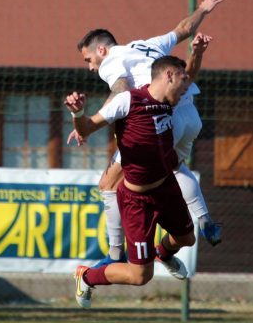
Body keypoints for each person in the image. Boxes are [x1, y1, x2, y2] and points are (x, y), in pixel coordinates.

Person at [70, 0, 225, 268]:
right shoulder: (147, 45)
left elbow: (119, 90)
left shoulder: (111, 61)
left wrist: (90, 123)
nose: (91, 68)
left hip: (163, 117)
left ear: (102, 50)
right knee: (177, 167)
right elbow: (184, 29)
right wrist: (203, 9)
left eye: (88, 60)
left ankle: (115, 255)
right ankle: (204, 221)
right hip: (190, 114)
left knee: (107, 184)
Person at [64, 55, 196, 309]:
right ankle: (87, 276)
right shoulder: (129, 101)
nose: (187, 85)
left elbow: (191, 73)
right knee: (140, 276)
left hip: (166, 188)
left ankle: (163, 253)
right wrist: (78, 112)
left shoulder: (169, 102)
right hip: (137, 201)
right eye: (182, 77)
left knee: (186, 238)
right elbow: (86, 128)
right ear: (168, 75)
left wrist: (197, 52)